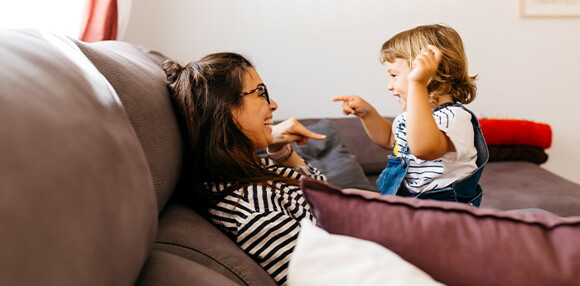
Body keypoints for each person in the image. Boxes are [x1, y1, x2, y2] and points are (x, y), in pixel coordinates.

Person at [163, 52, 327, 285]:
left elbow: (324, 197)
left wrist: (278, 147)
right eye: (261, 93)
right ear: (228, 110)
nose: (273, 105)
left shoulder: (248, 169)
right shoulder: (255, 209)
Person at [333, 24, 488, 206]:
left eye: (394, 75)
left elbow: (424, 149)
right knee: (348, 196)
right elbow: (390, 139)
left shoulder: (453, 117)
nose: (389, 86)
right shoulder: (409, 116)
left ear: (429, 74)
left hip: (444, 210)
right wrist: (368, 114)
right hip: (407, 201)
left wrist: (417, 84)